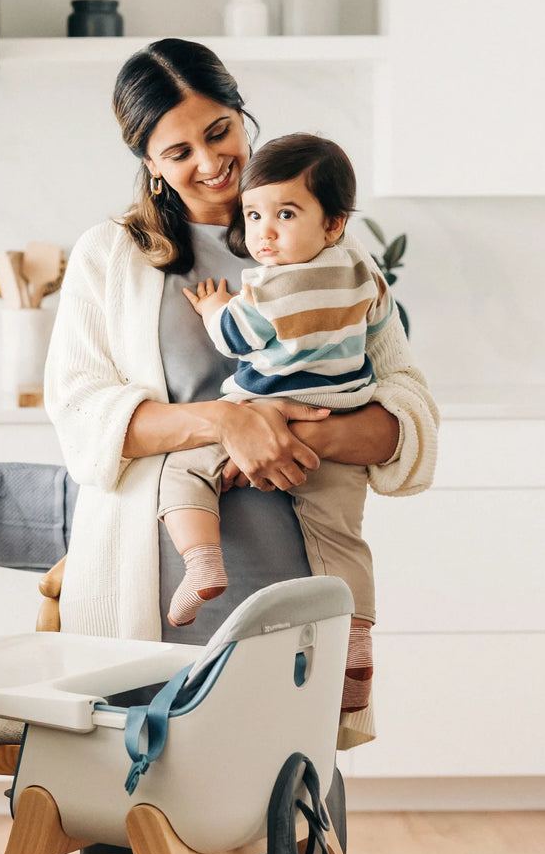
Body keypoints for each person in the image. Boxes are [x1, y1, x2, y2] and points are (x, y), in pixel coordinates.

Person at [44, 38, 439, 754]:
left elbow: (406, 411)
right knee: (135, 826)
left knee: (287, 824)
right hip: (153, 588)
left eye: (219, 131)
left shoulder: (324, 243)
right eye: (178, 151)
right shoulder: (109, 254)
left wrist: (299, 435)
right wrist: (229, 421)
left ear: (241, 113)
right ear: (149, 164)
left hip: (295, 575)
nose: (209, 162)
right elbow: (80, 416)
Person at [157, 132, 411, 715]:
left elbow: (235, 336)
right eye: (255, 216)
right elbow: (380, 329)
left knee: (184, 474)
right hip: (341, 417)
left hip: (263, 410)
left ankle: (201, 560)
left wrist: (213, 308)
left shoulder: (268, 286)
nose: (263, 233)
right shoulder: (362, 272)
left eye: (285, 215)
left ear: (333, 223)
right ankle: (357, 644)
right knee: (343, 544)